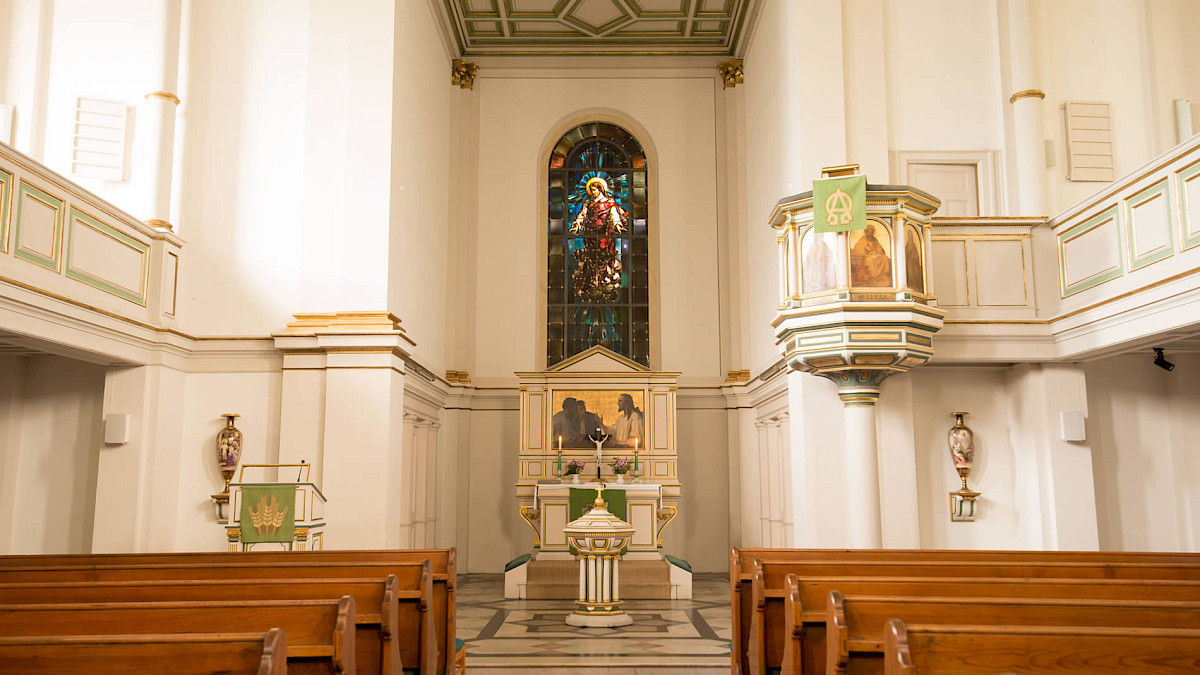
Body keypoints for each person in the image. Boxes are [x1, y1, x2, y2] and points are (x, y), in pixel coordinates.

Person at [569, 177, 628, 303]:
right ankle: (591, 282)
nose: (593, 192)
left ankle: (603, 281)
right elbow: (582, 215)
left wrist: (617, 225)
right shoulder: (588, 203)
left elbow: (614, 215)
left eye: (594, 189)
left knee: (602, 258)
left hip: (603, 236)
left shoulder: (609, 202)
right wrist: (577, 224)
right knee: (591, 258)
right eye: (591, 190)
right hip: (589, 235)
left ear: (600, 189)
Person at [905, 229, 924, 293]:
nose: (910, 236)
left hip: (913, 263)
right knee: (909, 273)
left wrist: (913, 257)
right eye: (908, 235)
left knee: (914, 274)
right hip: (909, 263)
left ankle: (914, 285)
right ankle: (910, 284)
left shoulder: (913, 245)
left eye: (910, 235)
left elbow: (916, 255)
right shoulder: (907, 245)